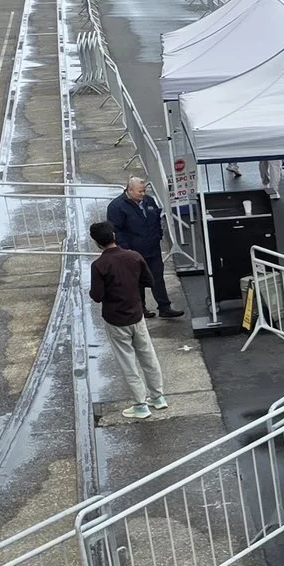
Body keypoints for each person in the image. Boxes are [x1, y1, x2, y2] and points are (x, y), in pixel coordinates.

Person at [89, 222, 167, 420]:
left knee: (128, 362)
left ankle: (140, 405)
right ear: (114, 235)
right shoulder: (134, 256)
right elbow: (149, 281)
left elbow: (97, 296)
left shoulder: (99, 265)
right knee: (148, 356)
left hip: (115, 319)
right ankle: (158, 397)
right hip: (137, 314)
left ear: (97, 242)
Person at [104, 177, 184, 318]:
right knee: (137, 280)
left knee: (157, 277)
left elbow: (156, 219)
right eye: (139, 191)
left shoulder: (149, 200)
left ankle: (164, 307)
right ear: (129, 190)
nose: (143, 194)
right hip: (133, 251)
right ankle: (140, 308)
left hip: (153, 248)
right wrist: (126, 249)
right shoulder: (116, 207)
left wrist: (158, 235)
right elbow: (116, 229)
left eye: (144, 191)